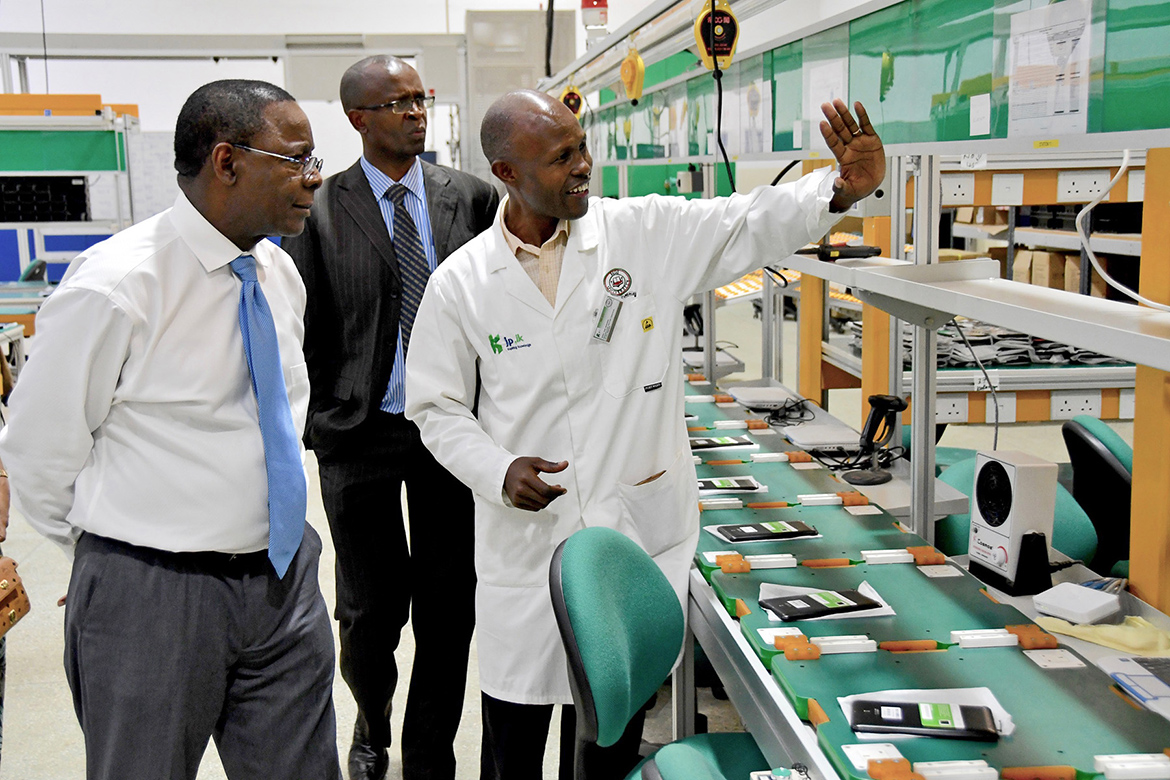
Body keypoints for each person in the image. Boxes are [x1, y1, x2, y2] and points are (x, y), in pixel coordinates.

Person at [404, 89, 885, 779]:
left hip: (635, 531)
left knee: (611, 743)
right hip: (527, 546)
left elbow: (742, 221)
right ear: (506, 173)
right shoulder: (463, 283)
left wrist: (836, 191)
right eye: (561, 156)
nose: (583, 166)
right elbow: (435, 406)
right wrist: (495, 468)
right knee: (512, 746)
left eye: (582, 147)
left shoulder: (640, 234)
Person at [0, 80, 340, 780]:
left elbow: (282, 413)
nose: (315, 177)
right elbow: (38, 448)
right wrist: (107, 556)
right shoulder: (118, 286)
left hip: (281, 582)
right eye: (298, 159)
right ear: (227, 162)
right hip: (154, 595)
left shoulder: (277, 272)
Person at [282, 56, 498, 780]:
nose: (414, 112)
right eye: (396, 102)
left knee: (449, 606)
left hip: (450, 431)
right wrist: (318, 420)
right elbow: (298, 327)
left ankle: (428, 751)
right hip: (359, 433)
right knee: (371, 613)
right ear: (357, 119)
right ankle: (371, 723)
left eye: (420, 98)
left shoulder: (470, 198)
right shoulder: (315, 208)